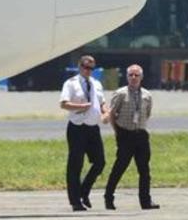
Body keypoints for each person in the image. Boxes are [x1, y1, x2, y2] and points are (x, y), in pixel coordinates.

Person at [104, 64, 158, 210]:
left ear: (141, 77)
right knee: (119, 167)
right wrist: (118, 132)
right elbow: (112, 114)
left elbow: (147, 113)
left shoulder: (147, 95)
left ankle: (145, 201)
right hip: (125, 134)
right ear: (127, 77)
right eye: (131, 75)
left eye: (136, 75)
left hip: (141, 134)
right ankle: (108, 197)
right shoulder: (120, 93)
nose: (133, 78)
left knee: (144, 171)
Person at [59, 55, 108, 212]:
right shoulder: (71, 83)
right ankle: (75, 201)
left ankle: (84, 191)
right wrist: (79, 107)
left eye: (91, 68)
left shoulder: (96, 84)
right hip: (77, 127)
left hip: (93, 127)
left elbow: (102, 102)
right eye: (86, 67)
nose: (88, 71)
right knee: (75, 165)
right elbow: (63, 104)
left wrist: (106, 112)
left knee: (100, 162)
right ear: (80, 67)